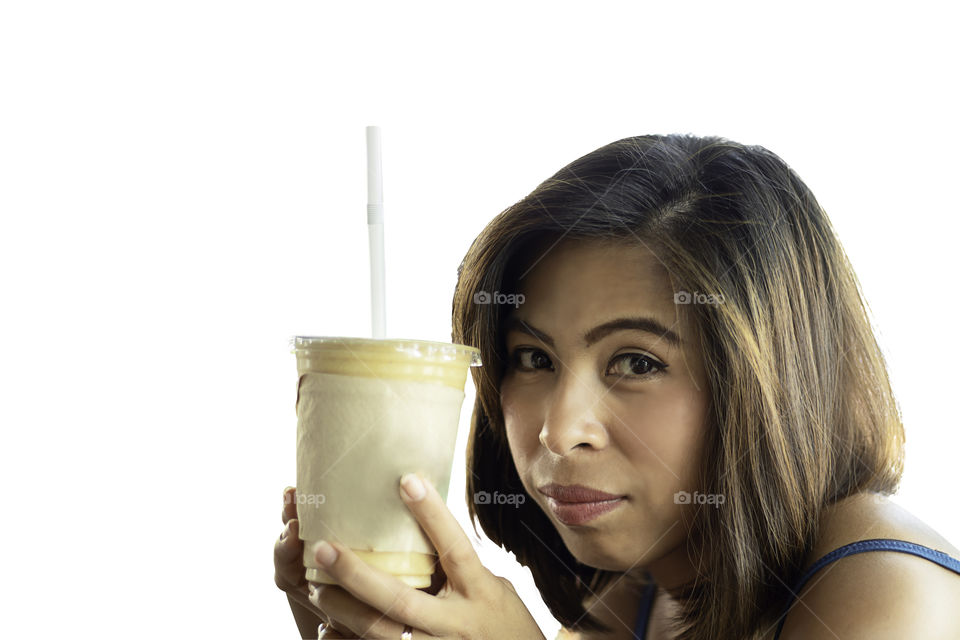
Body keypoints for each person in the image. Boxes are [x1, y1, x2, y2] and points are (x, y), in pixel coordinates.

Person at [274, 134, 960, 639]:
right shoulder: (643, 597)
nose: (558, 429)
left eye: (636, 363)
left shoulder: (889, 596)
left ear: (769, 385)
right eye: (534, 359)